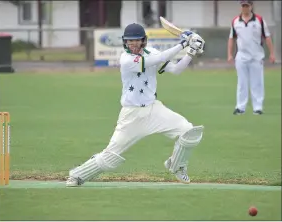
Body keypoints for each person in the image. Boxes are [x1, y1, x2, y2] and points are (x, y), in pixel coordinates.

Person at [66, 23, 205, 187]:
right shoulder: (126, 59)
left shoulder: (152, 51)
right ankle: (77, 175)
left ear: (143, 41)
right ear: (125, 42)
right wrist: (183, 43)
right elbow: (158, 59)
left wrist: (191, 52)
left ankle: (177, 166)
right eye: (129, 41)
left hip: (154, 109)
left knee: (188, 131)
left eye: (136, 41)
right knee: (110, 156)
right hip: (131, 114)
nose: (132, 44)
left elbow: (176, 70)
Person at [228, 0, 275, 115]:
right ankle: (240, 107)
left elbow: (267, 37)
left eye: (247, 6)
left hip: (256, 56)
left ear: (251, 6)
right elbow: (231, 39)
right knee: (242, 82)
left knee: (257, 82)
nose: (244, 8)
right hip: (241, 56)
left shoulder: (259, 20)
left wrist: (272, 53)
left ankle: (257, 107)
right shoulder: (235, 21)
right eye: (243, 6)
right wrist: (230, 54)